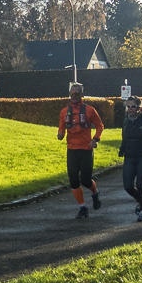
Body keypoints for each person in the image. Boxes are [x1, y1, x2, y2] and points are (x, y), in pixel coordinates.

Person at [57, 83, 104, 218]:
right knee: (73, 180)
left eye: (77, 93)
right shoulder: (64, 112)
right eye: (72, 93)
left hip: (86, 149)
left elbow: (100, 126)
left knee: (85, 180)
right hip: (71, 149)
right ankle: (82, 207)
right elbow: (61, 129)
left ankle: (95, 193)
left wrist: (95, 139)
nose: (74, 96)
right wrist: (60, 134)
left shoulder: (89, 110)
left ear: (82, 94)